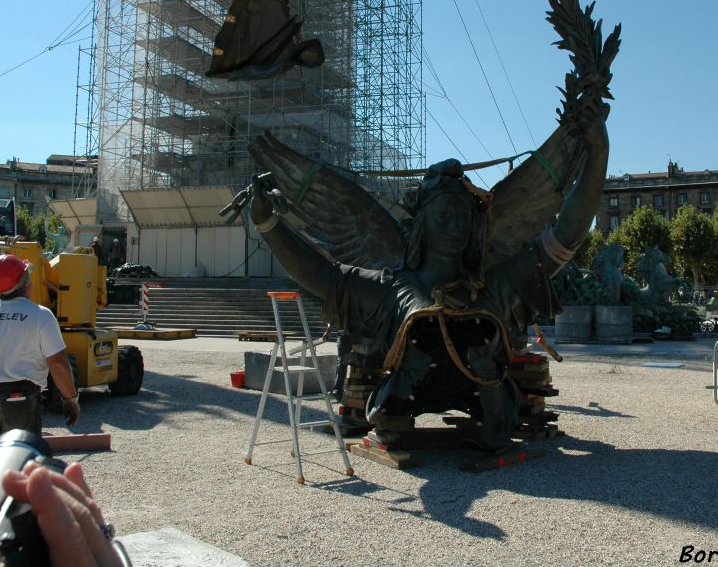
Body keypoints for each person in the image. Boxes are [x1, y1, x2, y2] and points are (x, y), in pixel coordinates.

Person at [247, 105, 608, 451]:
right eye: (443, 216)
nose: (455, 227)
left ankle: (490, 413)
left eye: (463, 218)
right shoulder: (393, 289)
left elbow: (566, 236)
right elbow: (324, 278)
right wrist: (268, 225)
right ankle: (395, 409)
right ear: (422, 223)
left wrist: (598, 152)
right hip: (404, 397)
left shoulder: (497, 285)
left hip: (485, 399)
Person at [0, 254, 80, 453]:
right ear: (25, 284)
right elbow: (57, 363)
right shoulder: (41, 315)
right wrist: (70, 399)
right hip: (19, 400)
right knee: (21, 469)